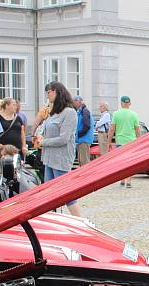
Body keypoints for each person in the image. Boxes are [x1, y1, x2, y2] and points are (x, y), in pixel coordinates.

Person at [41, 81, 81, 217]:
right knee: (49, 195)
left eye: (49, 92)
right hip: (49, 158)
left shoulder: (69, 113)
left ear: (57, 92)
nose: (47, 95)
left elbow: (64, 139)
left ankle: (80, 222)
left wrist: (44, 142)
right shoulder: (53, 113)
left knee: (67, 195)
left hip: (61, 158)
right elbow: (45, 130)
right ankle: (52, 220)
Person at [107, 95, 140, 187]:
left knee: (121, 162)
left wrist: (108, 141)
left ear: (121, 103)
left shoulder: (116, 114)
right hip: (131, 141)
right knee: (130, 162)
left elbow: (112, 129)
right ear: (129, 103)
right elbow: (137, 129)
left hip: (120, 141)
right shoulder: (134, 114)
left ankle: (122, 179)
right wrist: (139, 140)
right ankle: (128, 181)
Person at [73, 96, 94, 166]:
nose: (73, 104)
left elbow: (87, 125)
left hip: (84, 140)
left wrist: (78, 135)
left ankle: (87, 176)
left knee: (84, 162)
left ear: (78, 102)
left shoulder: (84, 111)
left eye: (74, 102)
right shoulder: (82, 111)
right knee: (81, 161)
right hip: (82, 139)